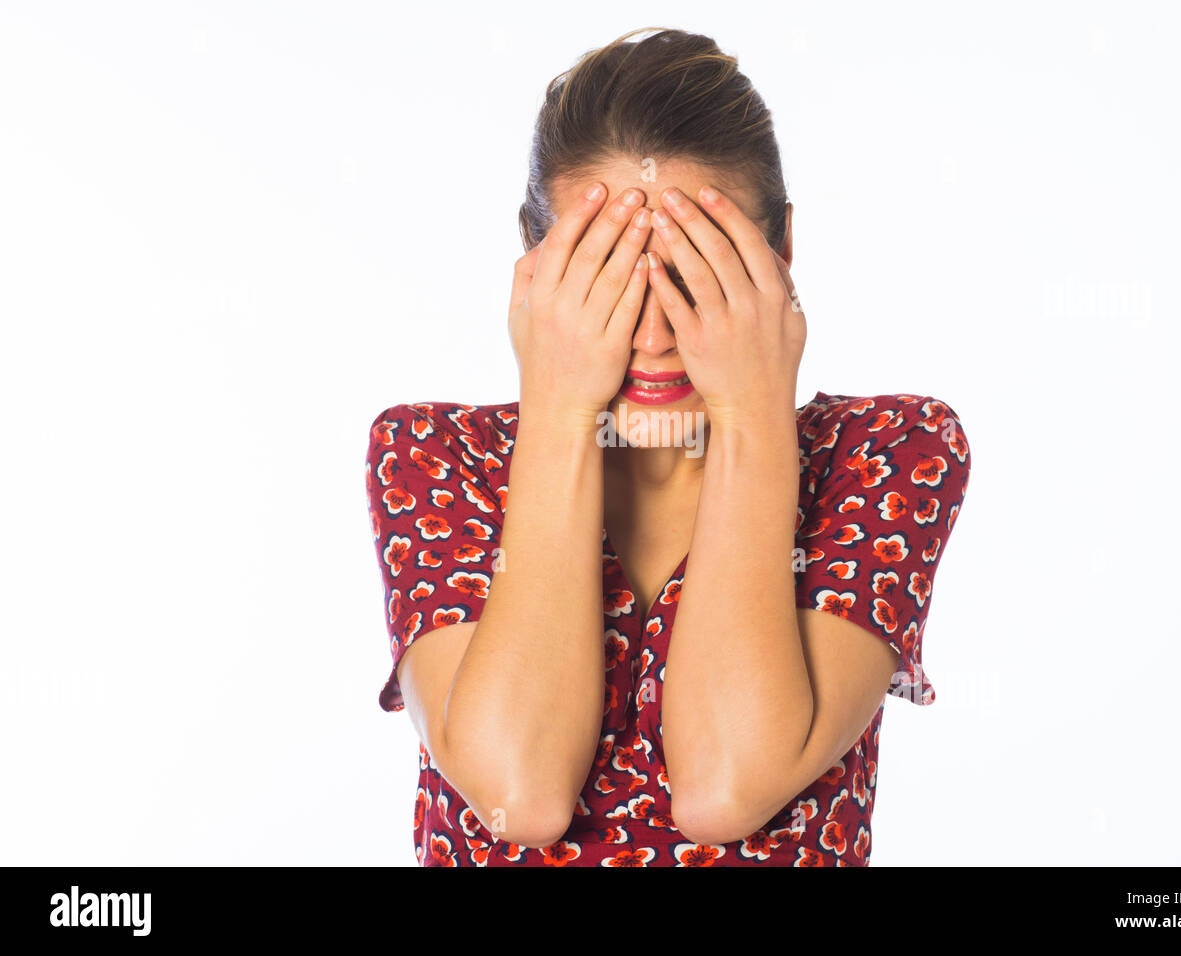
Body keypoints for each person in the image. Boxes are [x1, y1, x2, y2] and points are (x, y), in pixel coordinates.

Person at [364, 26, 972, 866]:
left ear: (782, 251)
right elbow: (521, 793)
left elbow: (727, 785)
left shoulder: (886, 452)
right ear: (534, 268)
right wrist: (561, 411)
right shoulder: (435, 454)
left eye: (696, 274)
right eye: (608, 276)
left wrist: (755, 412)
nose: (652, 335)